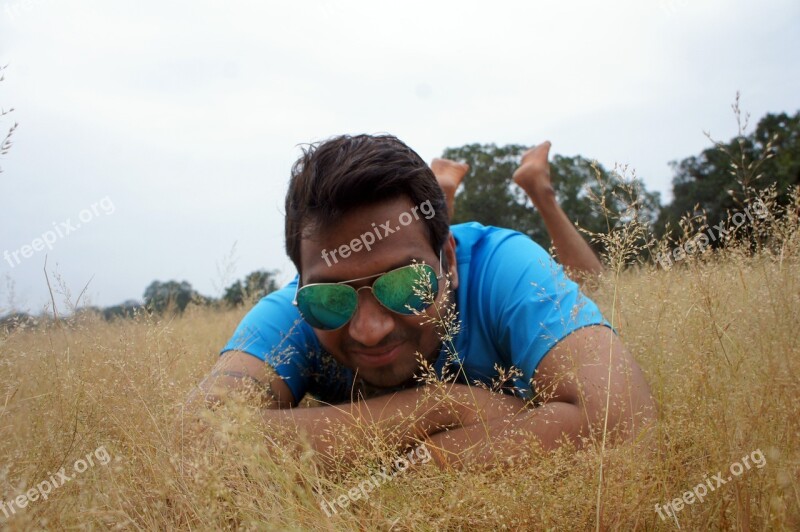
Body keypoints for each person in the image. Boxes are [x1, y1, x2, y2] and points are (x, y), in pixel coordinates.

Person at [191, 134, 655, 468]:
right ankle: (439, 205)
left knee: (596, 286)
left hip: (474, 263)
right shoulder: (290, 312)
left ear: (449, 262)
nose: (369, 330)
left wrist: (430, 462)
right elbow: (200, 442)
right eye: (331, 300)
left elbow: (625, 424)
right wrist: (443, 407)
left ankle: (539, 192)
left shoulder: (506, 268)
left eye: (405, 284)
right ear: (299, 286)